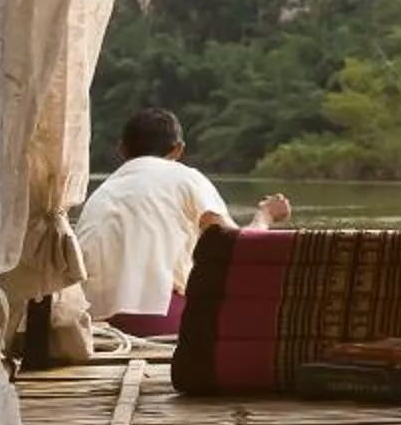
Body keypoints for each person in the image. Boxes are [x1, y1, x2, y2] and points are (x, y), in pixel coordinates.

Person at [74, 107, 291, 336]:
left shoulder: (102, 192)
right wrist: (265, 215)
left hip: (91, 325)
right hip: (160, 321)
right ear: (178, 150)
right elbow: (239, 249)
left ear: (121, 150)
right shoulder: (186, 178)